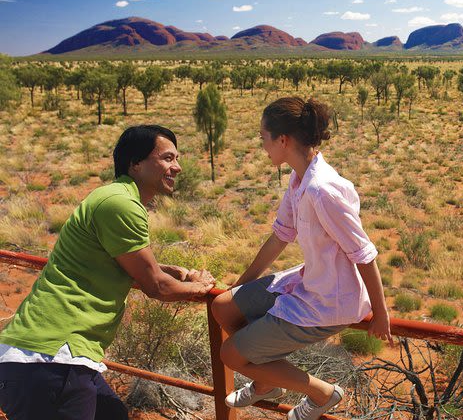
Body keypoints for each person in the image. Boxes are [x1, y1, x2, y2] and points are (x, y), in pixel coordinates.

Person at [0, 125, 216, 420]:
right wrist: (201, 286)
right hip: (53, 357)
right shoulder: (121, 204)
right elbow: (157, 287)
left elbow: (112, 258)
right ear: (135, 164)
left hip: (51, 360)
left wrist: (160, 267)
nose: (177, 167)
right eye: (167, 158)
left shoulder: (114, 197)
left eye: (177, 158)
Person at [212, 97, 392, 420]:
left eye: (264, 138)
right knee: (223, 305)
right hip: (309, 279)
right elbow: (281, 236)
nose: (263, 146)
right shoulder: (298, 180)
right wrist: (240, 285)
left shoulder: (322, 191)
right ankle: (267, 381)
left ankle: (322, 393)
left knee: (230, 354)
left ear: (283, 140)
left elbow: (364, 254)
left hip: (328, 301)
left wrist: (380, 313)